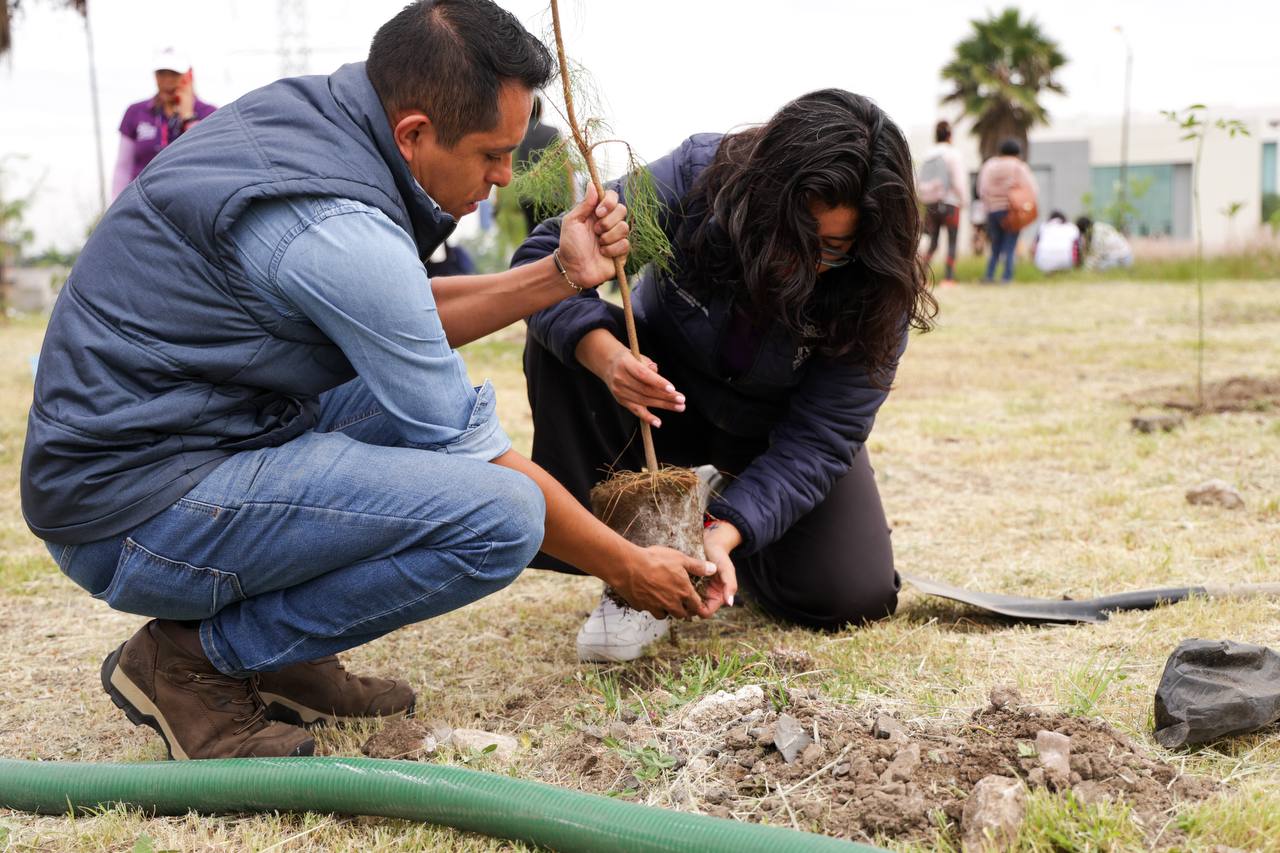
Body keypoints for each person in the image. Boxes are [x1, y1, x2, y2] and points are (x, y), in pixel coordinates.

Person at [22, 0, 720, 762]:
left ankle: (282, 656)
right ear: (415, 132)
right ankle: (195, 660)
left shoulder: (323, 124)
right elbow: (478, 456)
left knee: (395, 413)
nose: (504, 178)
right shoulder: (335, 222)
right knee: (504, 517)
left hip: (197, 432)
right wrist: (628, 564)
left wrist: (560, 275)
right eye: (491, 153)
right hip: (130, 512)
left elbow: (398, 314)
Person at [515, 90, 936, 662]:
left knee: (849, 595)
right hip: (658, 398)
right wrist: (607, 359)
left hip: (768, 434)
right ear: (763, 196)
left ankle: (709, 518)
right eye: (797, 237)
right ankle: (631, 554)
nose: (808, 264)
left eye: (834, 249)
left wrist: (727, 531)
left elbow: (822, 439)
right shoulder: (696, 179)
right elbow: (541, 263)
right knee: (564, 344)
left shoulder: (878, 287)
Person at [111, 47, 217, 200]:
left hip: (190, 202)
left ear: (188, 76)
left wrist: (188, 117)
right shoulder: (135, 112)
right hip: (141, 205)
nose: (167, 81)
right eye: (161, 73)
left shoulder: (209, 113)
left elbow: (208, 159)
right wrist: (115, 209)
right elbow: (123, 168)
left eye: (174, 74)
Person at [977, 138, 1038, 283]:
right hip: (1012, 211)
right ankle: (1007, 277)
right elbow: (1033, 189)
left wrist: (989, 205)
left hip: (992, 210)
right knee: (1010, 245)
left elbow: (982, 189)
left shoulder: (990, 166)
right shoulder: (1018, 166)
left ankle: (989, 275)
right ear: (1017, 153)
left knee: (995, 246)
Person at [916, 120, 967, 286]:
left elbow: (919, 180)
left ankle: (919, 276)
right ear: (950, 135)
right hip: (950, 202)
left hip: (930, 204)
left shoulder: (927, 154)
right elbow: (958, 181)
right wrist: (964, 200)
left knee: (933, 242)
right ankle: (949, 278)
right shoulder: (953, 154)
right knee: (952, 241)